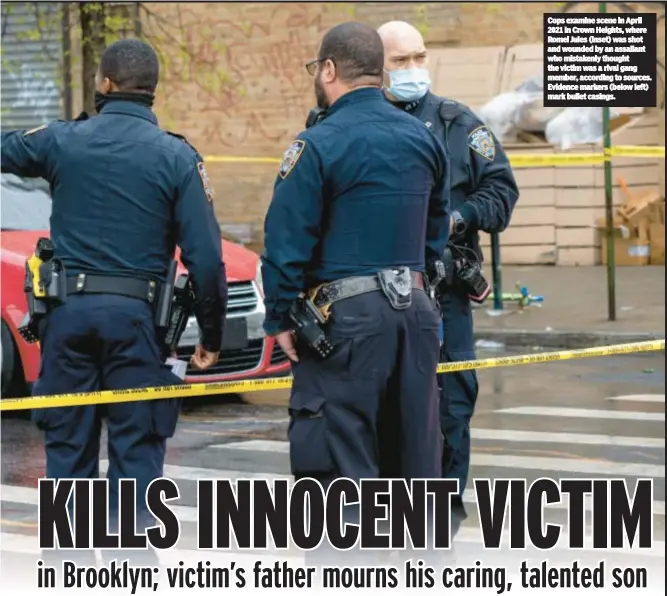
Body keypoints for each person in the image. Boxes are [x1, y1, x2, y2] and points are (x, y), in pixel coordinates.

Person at [1, 39, 227, 566]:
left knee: (68, 450)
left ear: (104, 84)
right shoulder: (177, 155)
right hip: (139, 327)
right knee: (139, 447)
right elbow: (207, 260)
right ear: (153, 90)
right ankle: (133, 568)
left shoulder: (63, 140)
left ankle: (68, 567)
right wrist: (212, 338)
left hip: (70, 320)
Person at [261, 21, 450, 565]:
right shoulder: (423, 138)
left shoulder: (317, 143)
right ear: (382, 71)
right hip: (415, 312)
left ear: (328, 70)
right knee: (415, 454)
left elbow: (287, 238)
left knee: (338, 461)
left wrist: (279, 317)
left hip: (344, 321)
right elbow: (435, 234)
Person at [377, 21, 520, 538]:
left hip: (445, 295)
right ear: (376, 67)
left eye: (419, 57)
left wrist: (456, 219)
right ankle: (390, 510)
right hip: (377, 299)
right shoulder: (348, 123)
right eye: (401, 61)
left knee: (453, 403)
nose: (414, 69)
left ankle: (443, 509)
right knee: (386, 405)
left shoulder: (458, 122)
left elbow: (502, 192)